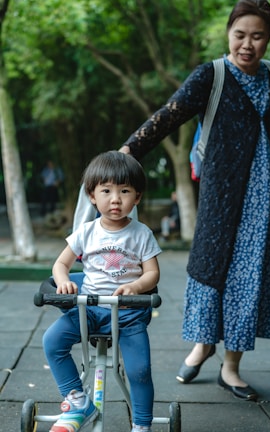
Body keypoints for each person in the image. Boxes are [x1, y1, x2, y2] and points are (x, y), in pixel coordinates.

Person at [117, 0, 270, 401]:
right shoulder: (211, 76)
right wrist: (128, 151)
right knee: (210, 274)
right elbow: (168, 115)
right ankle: (202, 344)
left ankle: (231, 367)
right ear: (228, 33)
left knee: (248, 282)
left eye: (257, 36)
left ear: (269, 40)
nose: (247, 44)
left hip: (268, 206)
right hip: (222, 201)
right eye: (240, 34)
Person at [42, 151, 162, 432]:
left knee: (139, 370)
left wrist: (136, 286)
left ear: (138, 197)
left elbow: (153, 273)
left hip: (128, 314)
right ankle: (77, 399)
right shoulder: (86, 232)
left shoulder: (141, 234)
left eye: (125, 191)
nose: (116, 199)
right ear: (92, 196)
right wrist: (63, 281)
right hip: (89, 310)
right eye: (106, 190)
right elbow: (61, 263)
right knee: (52, 342)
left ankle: (142, 424)